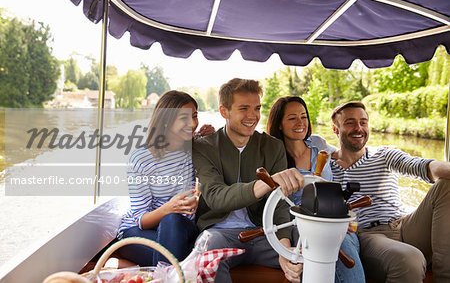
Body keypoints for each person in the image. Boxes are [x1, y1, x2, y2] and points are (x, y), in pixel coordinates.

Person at [193, 78, 304, 283]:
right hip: (219, 234)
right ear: (224, 111)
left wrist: (283, 246)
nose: (253, 116)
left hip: (264, 233)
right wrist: (267, 183)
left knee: (310, 254)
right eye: (244, 108)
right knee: (207, 255)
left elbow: (280, 204)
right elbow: (216, 197)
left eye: (257, 108)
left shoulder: (273, 147)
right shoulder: (204, 147)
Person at [329, 101, 450, 283]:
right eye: (350, 122)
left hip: (405, 225)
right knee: (409, 259)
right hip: (368, 235)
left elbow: (424, 166)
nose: (359, 128)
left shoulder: (384, 155)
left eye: (363, 122)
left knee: (446, 185)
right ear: (335, 129)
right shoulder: (325, 167)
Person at [267, 96, 365, 283]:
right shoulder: (274, 158)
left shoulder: (318, 144)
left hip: (335, 220)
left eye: (304, 116)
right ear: (279, 124)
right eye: (292, 118)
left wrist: (375, 152)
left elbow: (345, 151)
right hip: (300, 225)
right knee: (331, 242)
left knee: (343, 241)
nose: (300, 123)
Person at [117, 90, 213, 266]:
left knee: (174, 224)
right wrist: (168, 208)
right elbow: (141, 220)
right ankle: (177, 271)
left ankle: (170, 272)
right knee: (174, 228)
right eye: (184, 118)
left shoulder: (195, 148)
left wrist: (212, 136)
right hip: (139, 231)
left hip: (183, 228)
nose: (192, 124)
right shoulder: (141, 158)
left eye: (194, 116)